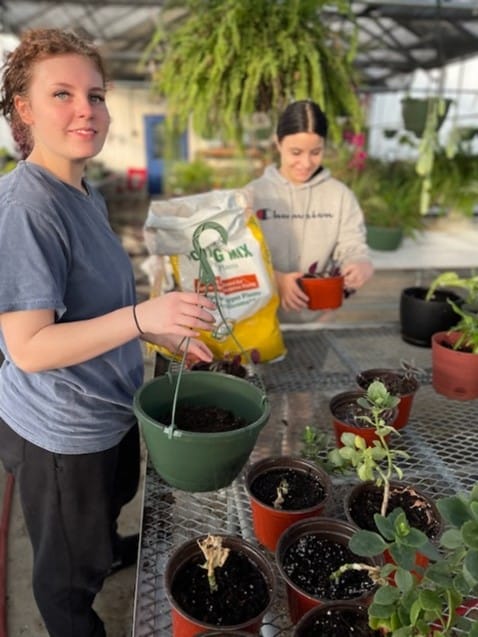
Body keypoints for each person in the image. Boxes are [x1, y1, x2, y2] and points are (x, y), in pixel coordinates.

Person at [0, 28, 215, 637]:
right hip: (62, 431)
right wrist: (143, 319)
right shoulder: (26, 209)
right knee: (64, 579)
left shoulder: (81, 192)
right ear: (24, 108)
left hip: (109, 404)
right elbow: (28, 348)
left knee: (113, 499)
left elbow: (95, 304)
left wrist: (157, 330)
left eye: (95, 96)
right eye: (62, 94)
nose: (86, 110)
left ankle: (104, 545)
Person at [247, 99, 374, 324]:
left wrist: (359, 262)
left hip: (319, 319)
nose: (305, 163)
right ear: (278, 143)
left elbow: (352, 245)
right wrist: (276, 279)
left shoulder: (339, 196)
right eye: (296, 152)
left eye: (316, 152)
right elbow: (240, 259)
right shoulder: (252, 196)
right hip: (262, 323)